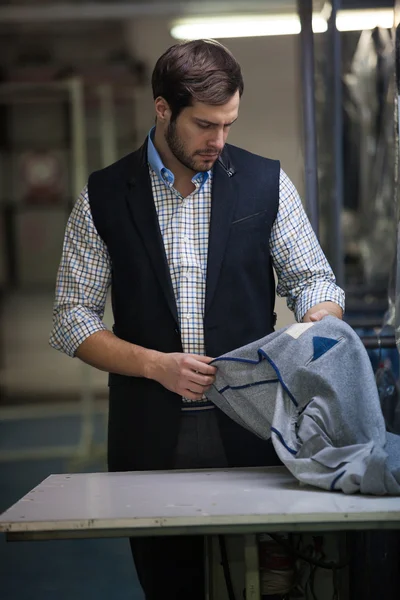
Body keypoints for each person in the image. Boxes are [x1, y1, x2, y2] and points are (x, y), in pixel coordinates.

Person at [50, 39, 344, 599]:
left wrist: (313, 324)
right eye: (206, 125)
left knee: (269, 581)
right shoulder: (105, 196)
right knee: (171, 584)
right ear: (163, 110)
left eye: (229, 124)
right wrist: (153, 364)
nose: (219, 141)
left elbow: (315, 281)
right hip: (151, 435)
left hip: (257, 425)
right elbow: (71, 317)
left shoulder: (265, 183)